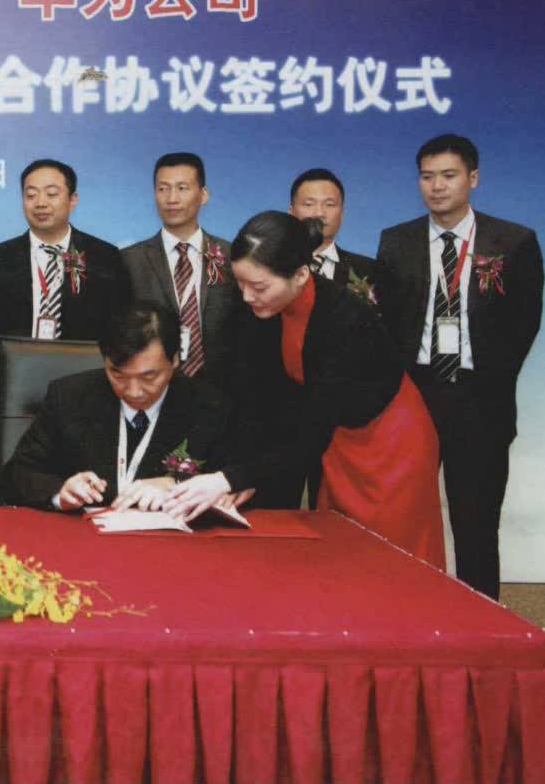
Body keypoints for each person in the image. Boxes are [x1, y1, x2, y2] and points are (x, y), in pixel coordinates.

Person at [167, 210, 446, 566]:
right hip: (338, 438)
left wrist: (230, 478)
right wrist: (234, 472)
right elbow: (247, 393)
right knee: (343, 551)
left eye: (259, 287)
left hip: (390, 442)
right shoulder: (259, 306)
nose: (247, 296)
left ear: (300, 275)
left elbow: (311, 429)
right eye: (240, 283)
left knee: (394, 558)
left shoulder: (344, 320)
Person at [376, 136, 543, 599]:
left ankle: (481, 618)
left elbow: (525, 323)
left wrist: (490, 382)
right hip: (415, 397)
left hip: (479, 399)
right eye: (427, 176)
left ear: (473, 178)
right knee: (404, 516)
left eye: (448, 176)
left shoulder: (513, 241)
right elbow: (388, 320)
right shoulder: (396, 241)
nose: (437, 186)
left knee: (476, 521)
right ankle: (405, 612)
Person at [5, 301, 233, 512]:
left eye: (149, 377)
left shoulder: (207, 405)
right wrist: (61, 492)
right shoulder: (70, 397)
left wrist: (177, 483)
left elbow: (236, 475)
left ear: (174, 360)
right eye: (118, 375)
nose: (134, 391)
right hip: (85, 533)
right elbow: (16, 474)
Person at [0, 157, 131, 442]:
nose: (40, 203)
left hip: (86, 393)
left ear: (73, 200)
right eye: (31, 194)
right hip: (14, 393)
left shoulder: (104, 258)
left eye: (51, 193)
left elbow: (119, 332)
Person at [120, 152, 242, 380]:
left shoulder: (231, 256)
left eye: (182, 188)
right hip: (155, 384)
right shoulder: (129, 260)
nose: (172, 199)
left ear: (203, 195)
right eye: (163, 189)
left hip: (223, 387)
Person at [288, 167, 392, 316]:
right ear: (291, 213)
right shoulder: (270, 264)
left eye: (329, 204)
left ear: (342, 213)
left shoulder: (370, 271)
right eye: (309, 204)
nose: (319, 213)